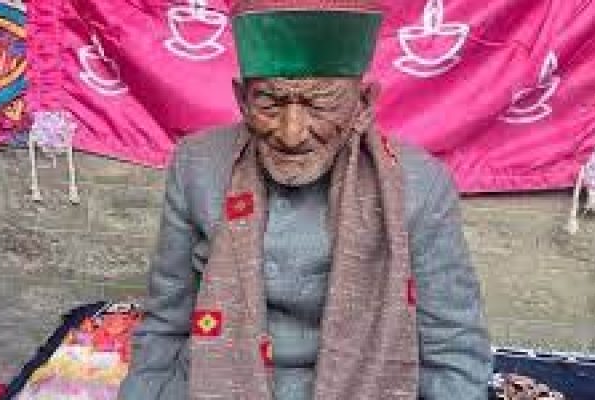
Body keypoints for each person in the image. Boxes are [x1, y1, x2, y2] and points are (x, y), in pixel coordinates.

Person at [118, 1, 492, 399]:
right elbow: (165, 323)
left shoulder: (418, 184)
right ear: (242, 99)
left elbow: (452, 347)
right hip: (213, 382)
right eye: (270, 103)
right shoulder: (197, 166)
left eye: (320, 103)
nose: (291, 133)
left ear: (364, 104)